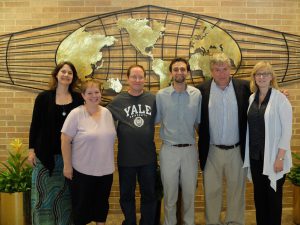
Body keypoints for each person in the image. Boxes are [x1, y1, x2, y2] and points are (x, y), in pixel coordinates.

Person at [197, 53, 250, 225]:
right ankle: (213, 222)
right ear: (211, 71)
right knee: (212, 191)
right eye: (217, 70)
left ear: (231, 70)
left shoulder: (244, 87)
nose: (221, 73)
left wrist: (281, 92)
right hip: (212, 150)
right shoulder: (201, 90)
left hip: (236, 149)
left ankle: (234, 221)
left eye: (225, 69)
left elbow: (264, 94)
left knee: (236, 191)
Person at [28, 61, 83, 225]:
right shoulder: (43, 98)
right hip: (45, 157)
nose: (66, 75)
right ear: (56, 74)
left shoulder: (78, 99)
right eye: (63, 72)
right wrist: (31, 150)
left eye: (70, 73)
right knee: (43, 199)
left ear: (73, 77)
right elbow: (35, 124)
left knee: (65, 201)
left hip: (69, 159)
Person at [243, 61, 293, 225]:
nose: (262, 77)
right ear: (254, 77)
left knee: (273, 199)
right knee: (260, 198)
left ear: (272, 77)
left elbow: (287, 131)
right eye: (258, 74)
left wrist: (280, 158)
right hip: (256, 157)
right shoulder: (252, 98)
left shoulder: (280, 98)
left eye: (266, 73)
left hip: (273, 158)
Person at [107, 65, 157, 225]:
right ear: (127, 79)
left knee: (149, 194)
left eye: (140, 77)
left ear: (145, 79)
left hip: (148, 158)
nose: (137, 80)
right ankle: (129, 222)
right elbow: (102, 116)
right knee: (126, 195)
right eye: (134, 77)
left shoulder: (152, 99)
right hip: (126, 159)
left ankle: (147, 222)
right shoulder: (118, 101)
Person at [61, 80, 116, 225]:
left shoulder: (107, 113)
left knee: (101, 208)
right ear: (83, 95)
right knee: (81, 211)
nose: (94, 96)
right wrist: (67, 166)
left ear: (101, 93)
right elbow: (65, 139)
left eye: (97, 92)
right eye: (89, 93)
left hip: (105, 171)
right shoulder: (76, 114)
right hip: (83, 172)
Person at [156, 58, 202, 225]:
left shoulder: (197, 94)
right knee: (170, 196)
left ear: (187, 72)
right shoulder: (161, 96)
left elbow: (199, 123)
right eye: (176, 69)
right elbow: (153, 120)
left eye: (183, 69)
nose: (179, 72)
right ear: (171, 73)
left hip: (190, 150)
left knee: (190, 195)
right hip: (169, 151)